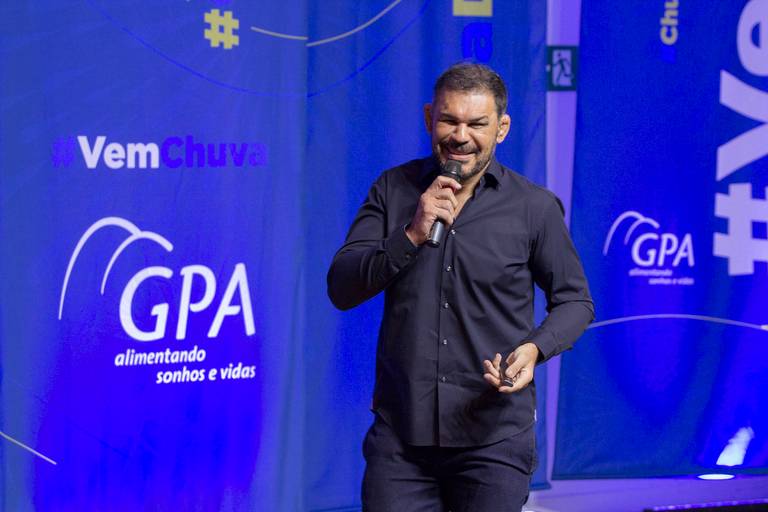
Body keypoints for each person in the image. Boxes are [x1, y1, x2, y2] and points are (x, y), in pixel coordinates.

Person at [327, 63, 594, 512]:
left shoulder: (534, 207)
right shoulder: (393, 189)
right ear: (428, 117)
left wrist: (535, 350)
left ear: (502, 128)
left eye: (477, 124)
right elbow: (341, 286)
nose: (460, 136)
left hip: (493, 440)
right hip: (401, 440)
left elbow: (575, 301)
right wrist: (411, 234)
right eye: (449, 120)